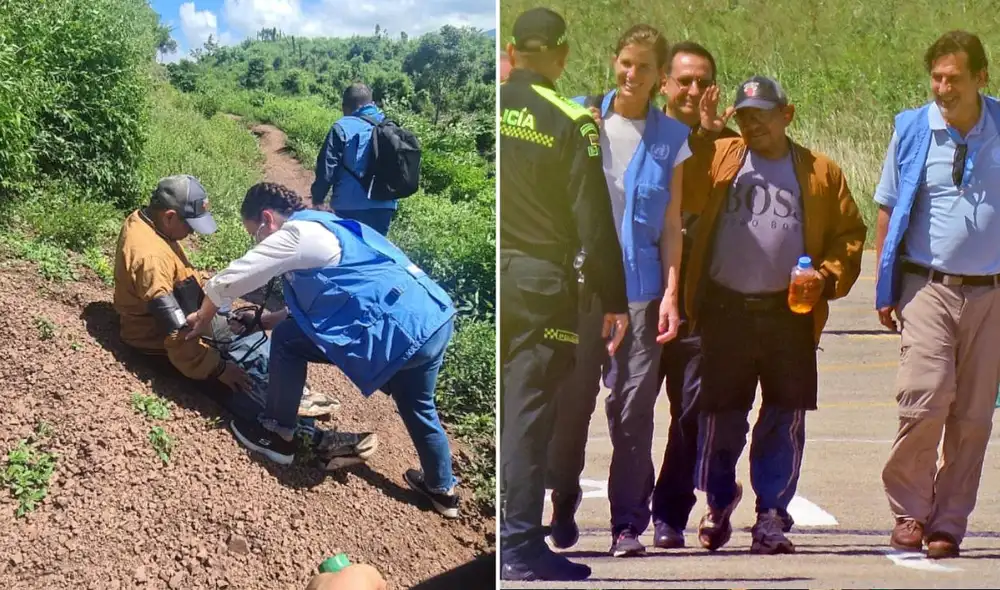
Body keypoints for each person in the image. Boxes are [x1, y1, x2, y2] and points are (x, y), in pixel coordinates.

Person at [184, 182, 461, 519]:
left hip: (398, 331)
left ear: (267, 219)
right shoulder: (328, 227)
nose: (257, 242)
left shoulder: (296, 234)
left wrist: (203, 317)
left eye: (254, 234)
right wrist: (262, 322)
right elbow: (328, 304)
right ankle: (442, 490)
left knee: (286, 341)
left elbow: (230, 279)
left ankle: (278, 435)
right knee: (418, 405)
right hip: (432, 319)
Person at [684, 77, 866, 554]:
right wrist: (704, 134)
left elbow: (849, 234)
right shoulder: (722, 156)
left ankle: (771, 515)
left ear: (787, 114)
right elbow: (685, 190)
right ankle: (719, 500)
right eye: (744, 114)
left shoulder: (820, 172)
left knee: (784, 416)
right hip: (727, 308)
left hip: (789, 312)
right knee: (721, 416)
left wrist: (824, 277)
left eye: (762, 113)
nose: (752, 123)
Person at [545, 23, 688, 559]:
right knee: (573, 404)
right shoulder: (581, 117)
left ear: (661, 77)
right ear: (614, 61)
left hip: (642, 292)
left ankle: (629, 524)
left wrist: (671, 292)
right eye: (626, 62)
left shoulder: (673, 138)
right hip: (584, 288)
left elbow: (672, 225)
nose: (632, 74)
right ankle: (562, 500)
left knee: (633, 411)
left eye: (644, 67)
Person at [499, 7, 628, 581]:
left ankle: (504, 537)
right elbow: (594, 223)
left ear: (511, 49)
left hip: (494, 277)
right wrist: (615, 301)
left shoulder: (493, 106)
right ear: (561, 54)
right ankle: (519, 546)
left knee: (506, 410)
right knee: (527, 416)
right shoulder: (572, 121)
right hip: (539, 285)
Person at [874, 30, 1000, 560]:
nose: (942, 88)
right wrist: (884, 283)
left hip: (991, 293)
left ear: (980, 78)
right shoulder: (912, 129)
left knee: (973, 417)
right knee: (923, 401)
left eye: (953, 77)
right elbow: (886, 207)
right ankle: (909, 510)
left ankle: (948, 522)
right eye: (936, 77)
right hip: (927, 286)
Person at [112, 175, 348, 431]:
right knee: (235, 384)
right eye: (190, 225)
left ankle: (293, 393)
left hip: (189, 317)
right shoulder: (151, 260)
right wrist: (218, 368)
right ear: (170, 216)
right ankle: (307, 437)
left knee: (240, 332)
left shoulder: (148, 222)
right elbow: (176, 334)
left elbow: (180, 283)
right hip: (158, 342)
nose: (192, 232)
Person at [650, 40, 741, 550]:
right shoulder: (643, 134)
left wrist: (707, 135)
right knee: (629, 413)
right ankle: (625, 511)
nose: (692, 90)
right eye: (683, 80)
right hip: (640, 298)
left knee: (688, 417)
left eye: (703, 81)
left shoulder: (727, 147)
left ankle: (669, 515)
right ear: (664, 83)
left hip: (698, 307)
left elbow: (706, 202)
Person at [310, 83, 396, 236]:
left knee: (349, 253)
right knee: (375, 253)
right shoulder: (390, 127)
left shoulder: (342, 126)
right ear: (373, 104)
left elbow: (327, 168)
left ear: (345, 107)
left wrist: (318, 199)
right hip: (385, 207)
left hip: (348, 206)